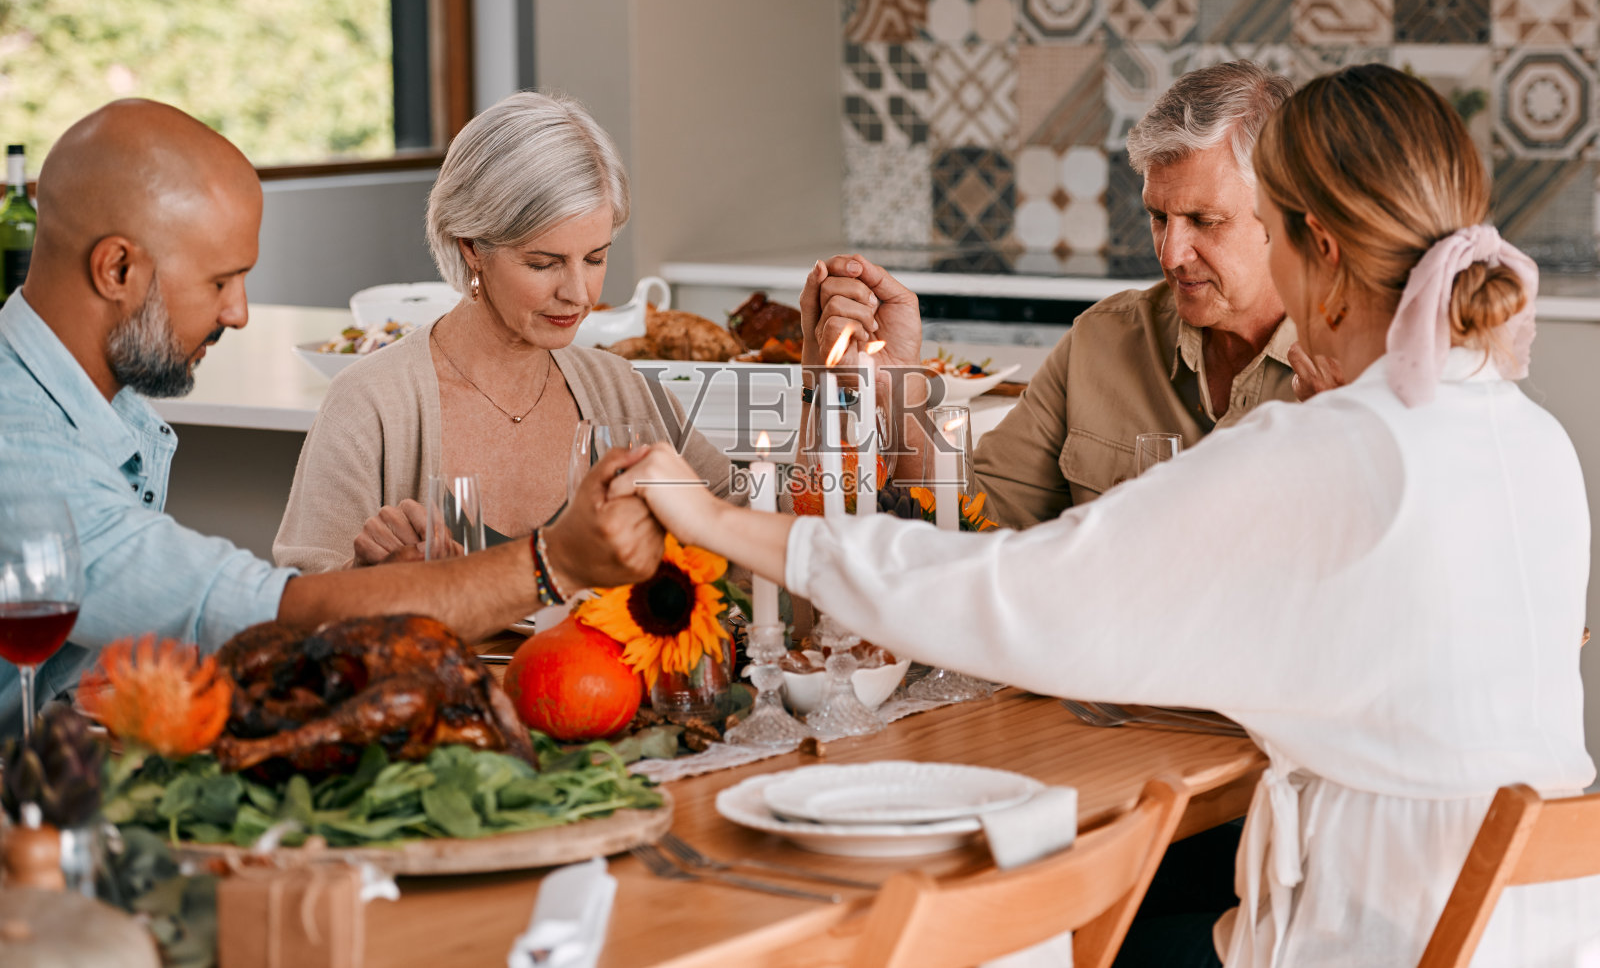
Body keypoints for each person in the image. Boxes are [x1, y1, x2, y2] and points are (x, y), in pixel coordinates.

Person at [613, 65, 1600, 966]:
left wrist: (714, 521)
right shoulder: (1528, 437)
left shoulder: (1328, 448)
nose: (1175, 251)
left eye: (1242, 223)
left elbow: (1016, 593)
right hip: (1533, 934)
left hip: (1371, 936)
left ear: (1317, 248)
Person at [0, 99, 663, 738]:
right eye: (220, 282)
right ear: (117, 268)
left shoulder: (103, 409)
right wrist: (551, 560)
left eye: (595, 257)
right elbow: (241, 611)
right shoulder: (22, 448)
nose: (239, 314)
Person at [804, 61, 1316, 527]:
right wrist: (901, 394)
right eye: (1158, 217)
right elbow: (977, 524)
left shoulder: (1346, 367)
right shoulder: (1101, 340)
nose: (1170, 254)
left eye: (1205, 220)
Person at [273, 91, 737, 573]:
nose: (579, 293)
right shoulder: (370, 404)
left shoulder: (623, 391)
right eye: (543, 263)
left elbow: (742, 529)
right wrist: (367, 579)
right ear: (472, 247)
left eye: (595, 258)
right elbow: (301, 598)